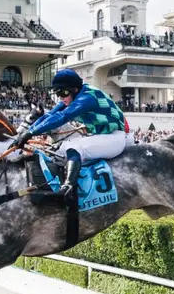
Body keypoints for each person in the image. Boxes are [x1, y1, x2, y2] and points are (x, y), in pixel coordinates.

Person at [11, 69, 133, 198]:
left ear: (75, 89)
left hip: (114, 138)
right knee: (58, 150)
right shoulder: (73, 96)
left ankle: (67, 188)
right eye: (58, 94)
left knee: (74, 148)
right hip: (100, 136)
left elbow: (63, 117)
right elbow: (49, 116)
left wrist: (30, 133)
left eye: (63, 93)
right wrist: (26, 133)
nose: (61, 98)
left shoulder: (87, 97)